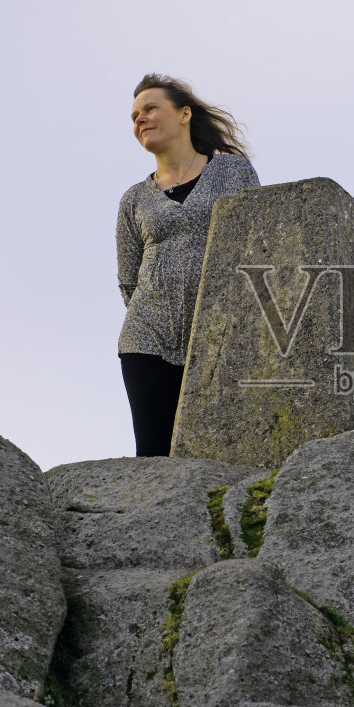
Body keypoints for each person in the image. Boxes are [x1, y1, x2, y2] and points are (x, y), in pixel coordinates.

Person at [116, 74, 260, 456]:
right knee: (153, 452)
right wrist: (158, 312)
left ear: (183, 114)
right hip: (147, 336)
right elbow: (128, 279)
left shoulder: (233, 171)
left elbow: (258, 244)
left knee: (221, 449)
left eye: (149, 109)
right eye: (134, 116)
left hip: (218, 331)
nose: (140, 120)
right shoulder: (134, 199)